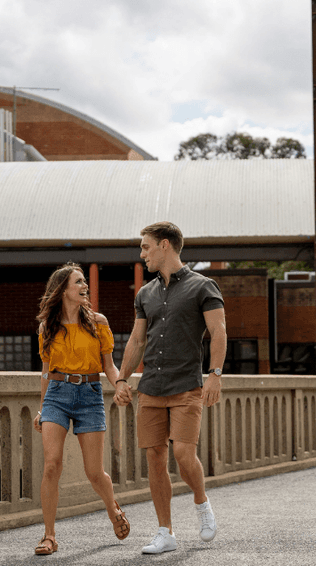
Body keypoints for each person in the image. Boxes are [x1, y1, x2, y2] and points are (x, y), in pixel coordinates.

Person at [114, 222, 226, 555]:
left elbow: (218, 332)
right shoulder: (145, 294)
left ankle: (201, 502)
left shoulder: (203, 286)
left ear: (165, 245)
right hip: (151, 388)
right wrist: (122, 379)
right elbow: (137, 340)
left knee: (182, 454)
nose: (142, 254)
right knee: (155, 458)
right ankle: (165, 532)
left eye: (145, 247)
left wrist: (215, 374)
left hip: (186, 386)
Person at [33, 263, 130, 555]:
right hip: (57, 395)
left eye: (85, 281)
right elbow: (46, 372)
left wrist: (120, 384)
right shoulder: (47, 327)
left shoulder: (98, 322)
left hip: (90, 394)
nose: (84, 285)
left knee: (94, 473)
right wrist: (41, 408)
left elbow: (109, 366)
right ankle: (49, 536)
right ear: (64, 289)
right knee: (52, 465)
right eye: (78, 282)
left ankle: (113, 509)